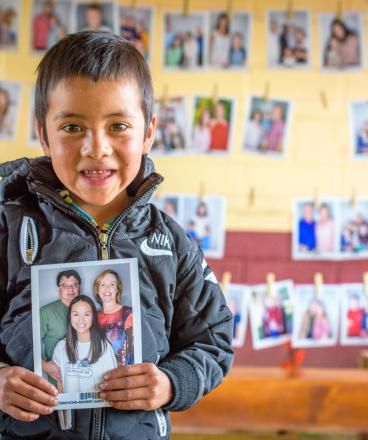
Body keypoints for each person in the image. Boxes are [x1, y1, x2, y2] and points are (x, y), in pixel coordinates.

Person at [0, 31, 233, 439]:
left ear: (148, 133)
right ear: (43, 134)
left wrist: (171, 383)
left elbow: (213, 341)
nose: (96, 147)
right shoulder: (9, 227)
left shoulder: (171, 244)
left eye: (118, 126)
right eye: (72, 126)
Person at [52, 295, 117, 394]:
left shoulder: (104, 346)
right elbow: (59, 382)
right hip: (70, 408)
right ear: (70, 317)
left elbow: (112, 383)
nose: (81, 320)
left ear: (93, 317)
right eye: (76, 314)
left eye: (86, 314)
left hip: (97, 408)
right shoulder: (61, 347)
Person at [40, 270, 81, 383]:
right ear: (59, 289)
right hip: (58, 375)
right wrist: (44, 365)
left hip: (84, 373)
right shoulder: (46, 312)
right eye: (65, 285)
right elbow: (29, 344)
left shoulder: (89, 309)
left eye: (74, 285)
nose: (70, 289)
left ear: (79, 287)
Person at [94, 270, 134, 366]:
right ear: (97, 290)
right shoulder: (92, 316)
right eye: (103, 284)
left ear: (117, 289)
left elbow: (133, 350)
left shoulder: (128, 313)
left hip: (121, 372)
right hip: (97, 370)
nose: (107, 288)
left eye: (112, 284)